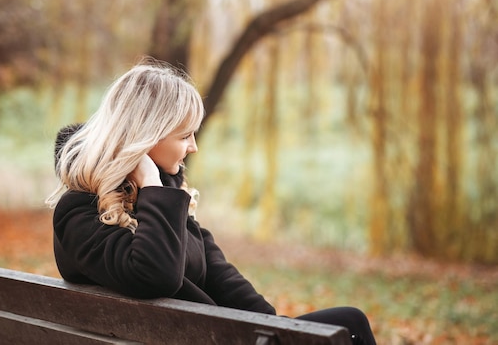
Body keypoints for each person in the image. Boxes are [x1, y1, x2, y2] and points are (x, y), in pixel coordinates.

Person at [46, 58, 377, 345]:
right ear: (145, 136)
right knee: (350, 325)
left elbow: (217, 272)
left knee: (346, 322)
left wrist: (275, 326)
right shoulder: (80, 211)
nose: (193, 146)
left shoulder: (165, 196)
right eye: (184, 135)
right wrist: (150, 184)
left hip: (210, 335)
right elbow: (155, 275)